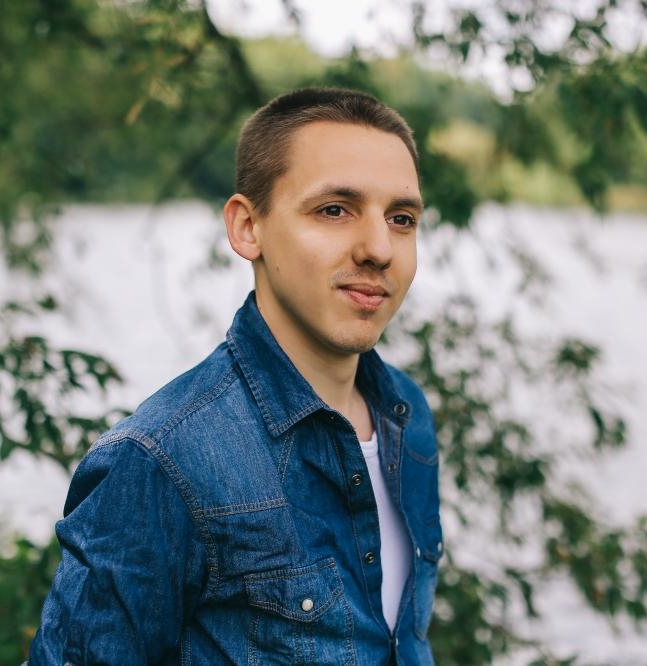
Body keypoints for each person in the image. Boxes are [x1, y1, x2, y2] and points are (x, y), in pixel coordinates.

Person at [29, 87, 442, 665]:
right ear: (248, 227)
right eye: (334, 210)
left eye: (401, 219)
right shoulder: (164, 459)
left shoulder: (406, 414)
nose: (379, 248)